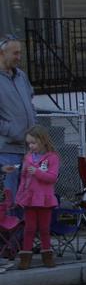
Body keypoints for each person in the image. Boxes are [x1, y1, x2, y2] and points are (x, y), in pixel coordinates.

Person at [11, 125, 59, 269]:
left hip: (45, 198)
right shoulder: (27, 157)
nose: (31, 146)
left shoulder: (52, 157)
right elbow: (24, 179)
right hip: (30, 198)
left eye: (33, 143)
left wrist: (37, 172)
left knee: (44, 228)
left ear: (43, 141)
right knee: (29, 228)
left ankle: (47, 256)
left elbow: (52, 177)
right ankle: (25, 257)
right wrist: (19, 197)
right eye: (29, 143)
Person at [0, 34, 37, 195]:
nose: (19, 57)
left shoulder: (21, 76)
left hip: (28, 149)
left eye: (20, 53)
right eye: (15, 53)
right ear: (2, 53)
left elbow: (30, 102)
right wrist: (11, 131)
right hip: (6, 151)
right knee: (10, 199)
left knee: (27, 198)